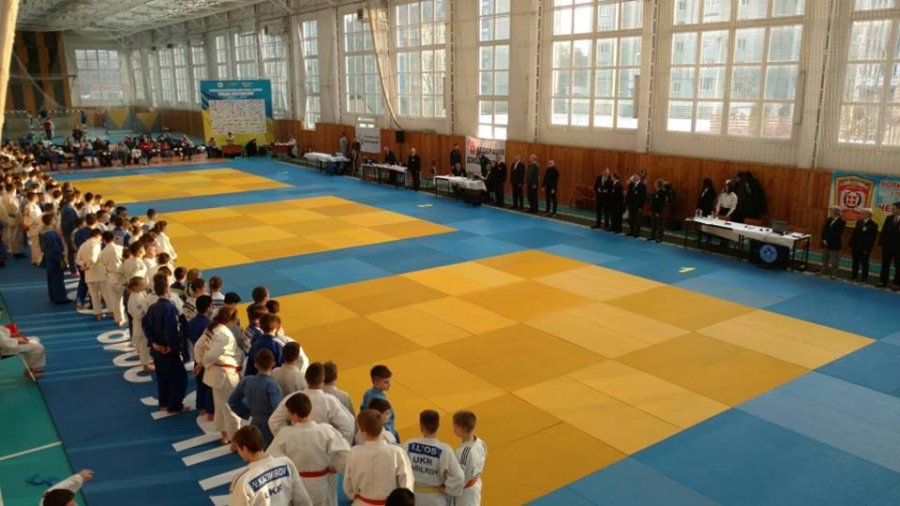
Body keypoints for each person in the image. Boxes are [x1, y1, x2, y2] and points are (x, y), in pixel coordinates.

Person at [268, 392, 351, 506]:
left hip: (297, 485)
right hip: (321, 483)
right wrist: (336, 466)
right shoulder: (325, 430)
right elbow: (345, 453)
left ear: (294, 415)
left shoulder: (285, 434)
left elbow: (271, 458)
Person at [269, 362, 355, 442]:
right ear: (323, 380)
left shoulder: (294, 398)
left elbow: (274, 421)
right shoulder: (330, 401)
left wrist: (288, 439)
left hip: (298, 445)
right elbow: (348, 427)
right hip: (322, 445)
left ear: (305, 378)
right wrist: (336, 445)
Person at [343, 410, 415, 506]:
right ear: (382, 427)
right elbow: (406, 484)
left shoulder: (354, 453)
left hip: (362, 502)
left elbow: (348, 486)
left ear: (363, 432)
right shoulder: (397, 452)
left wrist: (353, 496)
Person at [229, 426, 313, 506]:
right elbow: (303, 500)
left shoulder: (243, 480)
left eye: (238, 449)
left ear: (244, 449)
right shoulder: (286, 463)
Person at [196, 306, 243, 445]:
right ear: (231, 320)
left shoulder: (212, 329)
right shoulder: (224, 335)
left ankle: (225, 435)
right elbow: (212, 355)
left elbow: (198, 346)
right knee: (231, 408)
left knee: (221, 406)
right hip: (225, 374)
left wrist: (200, 362)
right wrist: (203, 363)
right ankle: (235, 440)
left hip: (216, 373)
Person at [143, 277, 187, 414]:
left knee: (162, 377)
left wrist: (154, 343)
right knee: (178, 378)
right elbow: (171, 329)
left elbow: (145, 326)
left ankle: (164, 403)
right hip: (168, 350)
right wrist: (172, 346)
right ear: (167, 290)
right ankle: (174, 406)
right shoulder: (169, 308)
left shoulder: (152, 308)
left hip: (157, 349)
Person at [403, 410, 464, 506]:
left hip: (412, 498)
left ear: (421, 426)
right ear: (438, 426)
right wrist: (447, 489)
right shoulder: (445, 450)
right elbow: (459, 476)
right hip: (435, 498)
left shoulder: (408, 445)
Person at [229, 349, 283, 446]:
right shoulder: (272, 386)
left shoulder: (247, 381)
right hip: (270, 427)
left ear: (255, 364)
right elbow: (278, 411)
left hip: (254, 424)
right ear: (273, 364)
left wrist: (247, 413)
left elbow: (232, 401)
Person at [453, 411, 487, 506]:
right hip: (475, 483)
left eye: (455, 426)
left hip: (465, 495)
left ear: (461, 429)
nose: (453, 428)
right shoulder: (480, 442)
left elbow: (459, 478)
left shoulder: (465, 452)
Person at [360, 365, 398, 442]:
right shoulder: (381, 401)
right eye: (386, 382)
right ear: (376, 383)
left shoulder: (368, 393)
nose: (389, 384)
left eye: (389, 381)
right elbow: (383, 420)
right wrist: (390, 432)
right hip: (384, 430)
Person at [76, 228, 107, 320]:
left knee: (94, 296)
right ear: (98, 235)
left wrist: (84, 265)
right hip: (99, 273)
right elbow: (93, 259)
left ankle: (98, 314)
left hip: (89, 275)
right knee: (106, 294)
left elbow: (78, 260)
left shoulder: (83, 245)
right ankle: (111, 312)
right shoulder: (96, 244)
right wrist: (87, 266)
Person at [38, 214, 69, 304]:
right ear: (51, 221)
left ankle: (53, 295)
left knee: (51, 278)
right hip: (55, 259)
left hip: (48, 258)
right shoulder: (51, 234)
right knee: (58, 278)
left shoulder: (42, 232)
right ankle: (60, 298)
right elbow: (55, 249)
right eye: (54, 220)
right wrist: (61, 259)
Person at [99, 231, 126, 326]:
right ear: (113, 238)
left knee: (116, 299)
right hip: (122, 275)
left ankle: (119, 319)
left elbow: (103, 264)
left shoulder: (103, 252)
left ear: (104, 240)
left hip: (110, 275)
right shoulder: (120, 248)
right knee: (126, 297)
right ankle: (124, 316)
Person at [850, 208, 878, 283]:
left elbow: (872, 239)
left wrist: (867, 249)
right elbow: (855, 234)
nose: (860, 214)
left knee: (864, 263)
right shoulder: (859, 222)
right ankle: (854, 275)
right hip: (856, 246)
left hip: (865, 248)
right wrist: (851, 244)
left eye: (862, 213)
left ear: (868, 215)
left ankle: (864, 277)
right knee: (855, 262)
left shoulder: (873, 225)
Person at [878, 201, 900, 289]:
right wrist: (880, 243)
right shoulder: (889, 218)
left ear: (899, 209)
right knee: (885, 264)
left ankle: (896, 283)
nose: (892, 210)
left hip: (898, 247)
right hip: (887, 246)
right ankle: (883, 281)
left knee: (898, 266)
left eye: (894, 208)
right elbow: (883, 231)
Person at [820, 206, 846, 278]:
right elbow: (824, 230)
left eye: (831, 212)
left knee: (834, 260)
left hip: (834, 244)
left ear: (836, 213)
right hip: (825, 243)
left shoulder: (842, 222)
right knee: (824, 258)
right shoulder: (829, 220)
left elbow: (837, 234)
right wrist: (824, 239)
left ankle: (834, 273)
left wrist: (828, 241)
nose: (830, 213)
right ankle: (823, 270)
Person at [625, 174, 647, 238]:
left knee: (637, 220)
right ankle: (631, 231)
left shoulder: (642, 186)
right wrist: (627, 204)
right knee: (630, 219)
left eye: (636, 177)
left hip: (638, 206)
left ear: (639, 178)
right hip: (631, 205)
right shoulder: (631, 185)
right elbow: (628, 195)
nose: (634, 178)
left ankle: (637, 232)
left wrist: (641, 207)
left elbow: (643, 198)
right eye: (634, 177)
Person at [649, 179, 667, 243]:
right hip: (654, 210)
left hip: (658, 211)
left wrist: (659, 212)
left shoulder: (662, 193)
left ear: (658, 184)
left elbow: (661, 204)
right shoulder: (656, 192)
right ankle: (652, 236)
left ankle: (659, 237)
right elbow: (654, 203)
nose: (654, 184)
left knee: (660, 225)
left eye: (655, 183)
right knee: (653, 224)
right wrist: (651, 210)